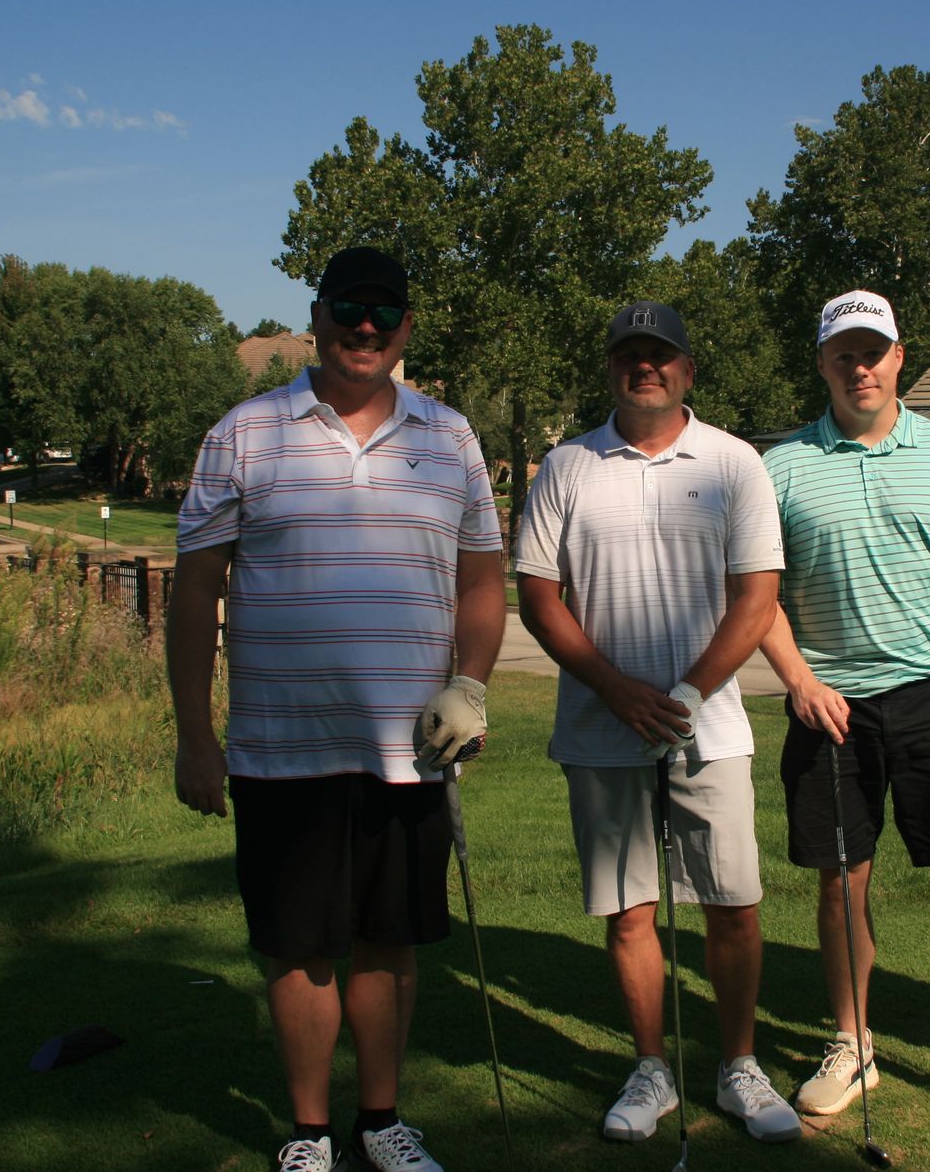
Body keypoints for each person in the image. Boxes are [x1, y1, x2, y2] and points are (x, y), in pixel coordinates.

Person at [168, 246, 506, 1172]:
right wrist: (196, 737)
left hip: (412, 747)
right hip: (282, 748)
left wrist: (470, 685)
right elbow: (196, 589)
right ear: (316, 315)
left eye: (383, 314)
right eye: (348, 309)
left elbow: (483, 580)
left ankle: (382, 1122)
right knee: (297, 948)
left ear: (404, 328)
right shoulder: (245, 432)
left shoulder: (452, 437)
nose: (365, 328)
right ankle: (310, 1135)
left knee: (390, 942)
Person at [513, 301, 800, 1146]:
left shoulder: (735, 462)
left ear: (688, 369)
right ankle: (651, 1068)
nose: (646, 366)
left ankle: (740, 1065)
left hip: (706, 730)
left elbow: (757, 597)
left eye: (661, 354)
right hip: (602, 727)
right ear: (611, 368)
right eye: (630, 354)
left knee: (733, 903)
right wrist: (616, 690)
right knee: (630, 909)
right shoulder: (566, 466)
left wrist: (684, 693)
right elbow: (537, 594)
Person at [758, 289, 930, 1135]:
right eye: (844, 352)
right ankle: (852, 1042)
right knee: (842, 882)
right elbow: (757, 595)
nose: (861, 365)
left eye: (873, 349)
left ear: (899, 357)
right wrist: (800, 682)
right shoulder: (782, 465)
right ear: (822, 363)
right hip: (828, 704)